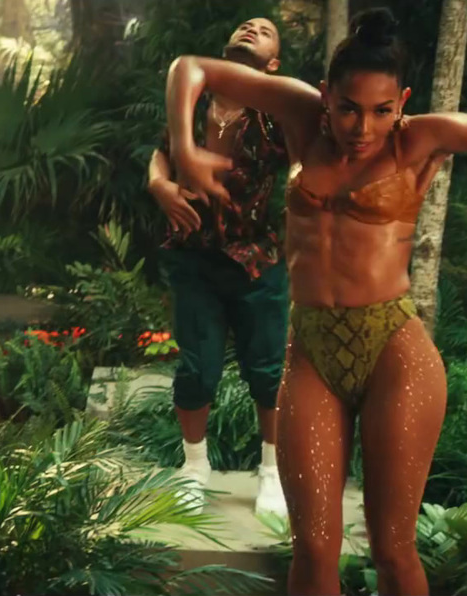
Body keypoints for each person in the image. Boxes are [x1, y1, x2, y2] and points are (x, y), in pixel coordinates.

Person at [163, 7, 467, 595]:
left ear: (402, 100)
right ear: (326, 95)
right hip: (313, 350)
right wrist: (183, 147)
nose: (362, 127)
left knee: (392, 550)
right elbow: (189, 69)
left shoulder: (419, 139)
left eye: (382, 110)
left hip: (393, 351)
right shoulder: (301, 116)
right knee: (314, 551)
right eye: (349, 108)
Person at [146, 17, 292, 519]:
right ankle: (194, 468)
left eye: (265, 29)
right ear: (224, 44)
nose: (252, 27)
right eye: (245, 24)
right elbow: (162, 153)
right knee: (197, 368)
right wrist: (160, 185)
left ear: (273, 63)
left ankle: (270, 472)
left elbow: (304, 165)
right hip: (195, 257)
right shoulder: (195, 101)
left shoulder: (274, 114)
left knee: (269, 371)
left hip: (258, 261)